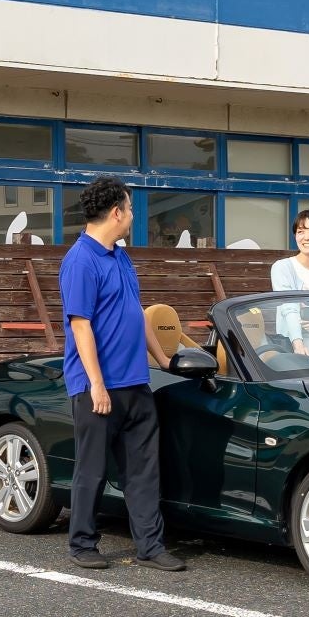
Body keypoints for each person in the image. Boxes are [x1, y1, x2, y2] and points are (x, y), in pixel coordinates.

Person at [58, 176, 185, 573]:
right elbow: (80, 326)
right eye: (130, 209)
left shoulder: (121, 257)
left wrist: (163, 360)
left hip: (135, 383)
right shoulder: (80, 260)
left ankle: (150, 546)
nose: (132, 216)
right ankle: (82, 544)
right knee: (92, 470)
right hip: (98, 388)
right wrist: (96, 384)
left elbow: (137, 311)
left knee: (144, 472)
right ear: (116, 212)